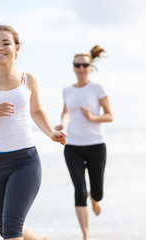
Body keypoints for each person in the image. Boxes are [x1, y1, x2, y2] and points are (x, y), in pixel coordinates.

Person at [0, 25, 66, 240]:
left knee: (11, 228)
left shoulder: (28, 80)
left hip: (24, 161)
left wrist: (50, 134)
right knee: (4, 227)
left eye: (6, 43)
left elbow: (36, 110)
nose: (0, 48)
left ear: (17, 48)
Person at [54, 45, 113, 240]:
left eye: (84, 65)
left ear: (90, 67)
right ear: (73, 67)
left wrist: (92, 117)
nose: (80, 68)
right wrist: (61, 125)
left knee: (98, 193)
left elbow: (110, 116)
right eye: (77, 64)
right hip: (72, 147)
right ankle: (86, 235)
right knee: (79, 191)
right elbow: (65, 112)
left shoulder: (97, 88)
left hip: (96, 145)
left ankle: (95, 199)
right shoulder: (67, 90)